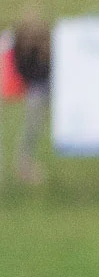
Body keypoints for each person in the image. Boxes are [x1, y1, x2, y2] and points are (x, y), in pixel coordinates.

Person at [11, 10, 50, 185]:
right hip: (38, 90)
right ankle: (25, 165)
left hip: (44, 88)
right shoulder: (24, 52)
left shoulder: (46, 48)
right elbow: (27, 72)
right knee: (32, 127)